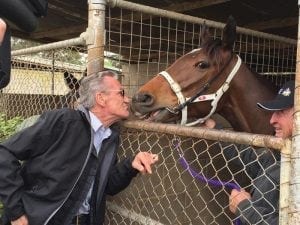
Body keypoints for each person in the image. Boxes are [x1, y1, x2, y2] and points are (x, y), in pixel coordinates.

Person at [0, 70, 159, 225]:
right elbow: (4, 153)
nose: (127, 99)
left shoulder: (110, 137)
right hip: (42, 219)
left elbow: (107, 186)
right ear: (101, 98)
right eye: (121, 93)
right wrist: (16, 211)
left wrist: (131, 165)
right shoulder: (64, 121)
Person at [227, 80, 295, 224]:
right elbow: (246, 155)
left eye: (281, 112)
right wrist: (216, 129)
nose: (272, 120)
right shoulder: (279, 154)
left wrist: (244, 208)